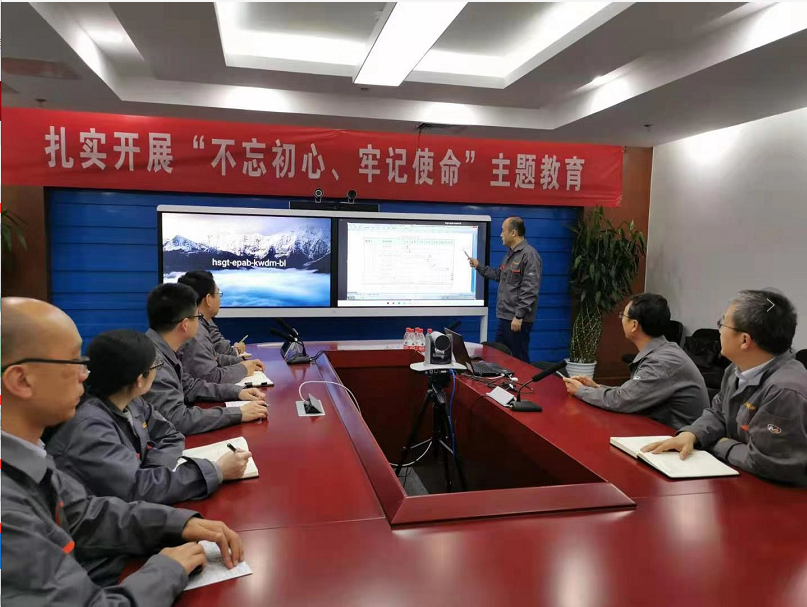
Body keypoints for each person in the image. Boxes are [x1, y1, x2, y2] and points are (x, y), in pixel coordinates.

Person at [1, 297, 244, 606]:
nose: (85, 375)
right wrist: (166, 571)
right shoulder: (8, 507)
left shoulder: (29, 456)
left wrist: (178, 524)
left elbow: (86, 514)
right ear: (22, 380)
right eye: (73, 361)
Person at [46, 329, 253, 504]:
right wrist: (216, 470)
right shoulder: (90, 427)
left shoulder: (132, 401)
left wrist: (152, 470)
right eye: (156, 367)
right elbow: (139, 489)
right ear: (140, 379)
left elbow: (170, 434)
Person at [644, 290, 807, 486]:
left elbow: (768, 463)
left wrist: (718, 443)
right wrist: (692, 434)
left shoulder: (785, 391)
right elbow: (719, 412)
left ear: (745, 340)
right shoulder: (736, 369)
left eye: (722, 324)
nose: (719, 331)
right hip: (739, 476)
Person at [563, 293, 709, 429]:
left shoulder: (660, 363)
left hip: (677, 439)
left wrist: (581, 391)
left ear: (634, 325)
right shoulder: (664, 351)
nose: (621, 319)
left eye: (623, 315)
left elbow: (622, 401)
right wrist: (596, 387)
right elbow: (632, 393)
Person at [144, 283, 268, 435]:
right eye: (198, 317)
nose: (200, 323)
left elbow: (189, 386)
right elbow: (178, 419)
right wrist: (238, 413)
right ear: (185, 325)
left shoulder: (162, 348)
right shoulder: (154, 362)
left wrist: (237, 392)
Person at [469, 216, 542, 362]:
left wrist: (519, 316)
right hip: (505, 317)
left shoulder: (529, 255)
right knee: (500, 357)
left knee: (519, 360)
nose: (500, 234)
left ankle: (525, 378)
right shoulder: (510, 254)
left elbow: (530, 289)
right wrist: (478, 266)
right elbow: (499, 275)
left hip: (516, 320)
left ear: (513, 233)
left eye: (503, 231)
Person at [177, 270, 265, 384]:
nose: (220, 299)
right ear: (208, 299)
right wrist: (243, 369)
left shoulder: (198, 323)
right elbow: (210, 377)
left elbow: (213, 357)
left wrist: (242, 363)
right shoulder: (195, 331)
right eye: (218, 294)